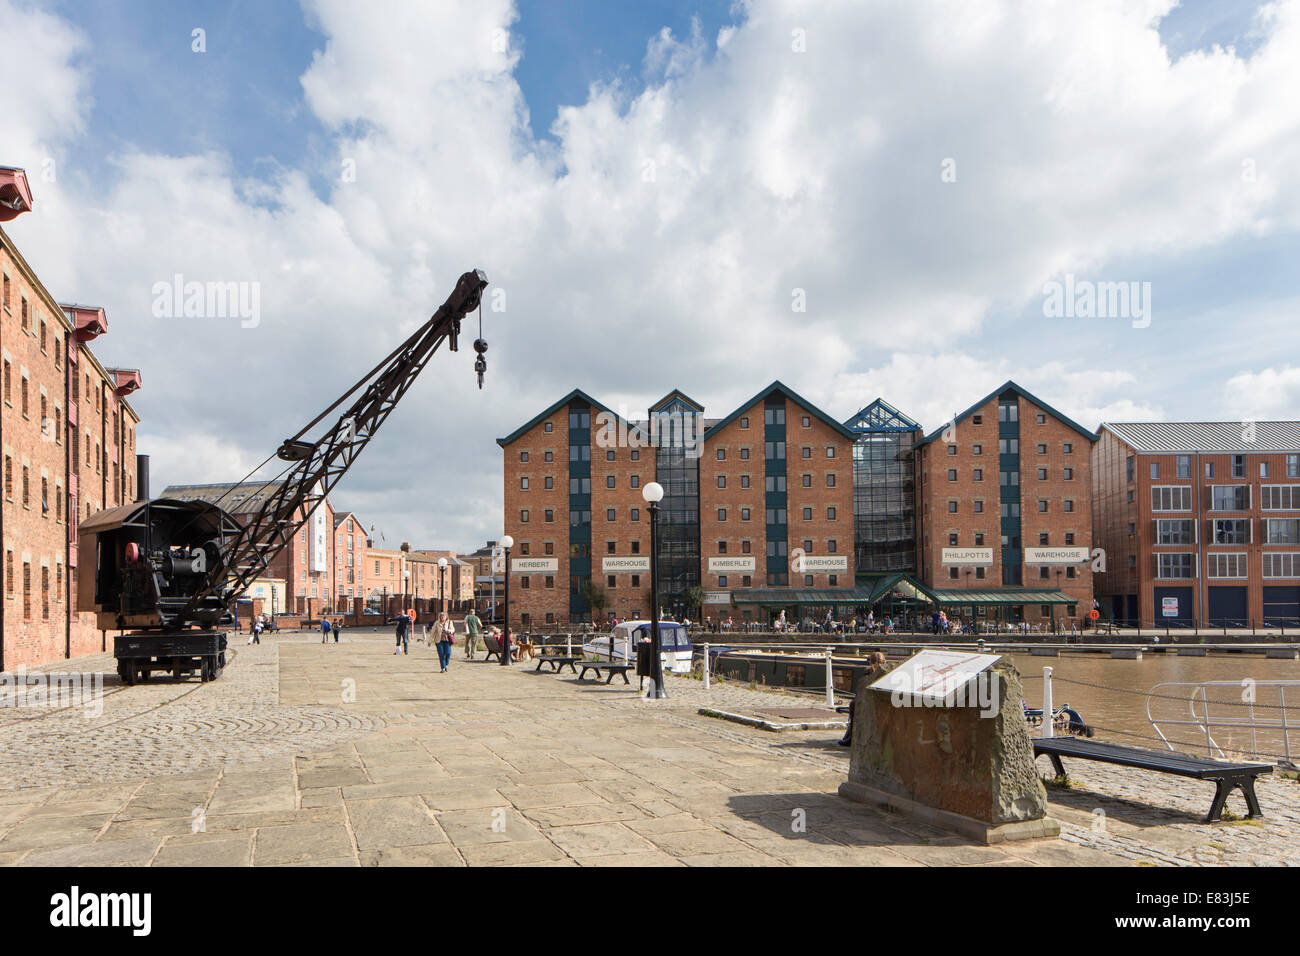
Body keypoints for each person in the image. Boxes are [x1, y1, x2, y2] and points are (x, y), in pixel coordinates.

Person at [838, 652, 888, 747]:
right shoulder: (867, 674)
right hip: (868, 699)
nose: (877, 668)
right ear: (871, 665)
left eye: (880, 665)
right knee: (854, 704)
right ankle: (851, 736)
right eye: (875, 666)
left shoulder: (887, 674)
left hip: (880, 700)